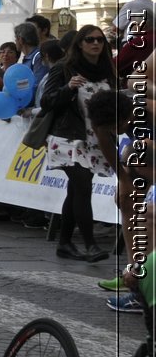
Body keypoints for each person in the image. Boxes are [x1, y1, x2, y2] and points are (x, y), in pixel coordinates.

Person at [37, 27, 116, 263]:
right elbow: (47, 101)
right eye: (89, 40)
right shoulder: (64, 68)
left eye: (100, 40)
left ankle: (65, 243)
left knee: (76, 189)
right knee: (81, 185)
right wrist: (68, 87)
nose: (95, 44)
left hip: (95, 138)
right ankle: (90, 245)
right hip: (68, 137)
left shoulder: (107, 71)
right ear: (80, 44)